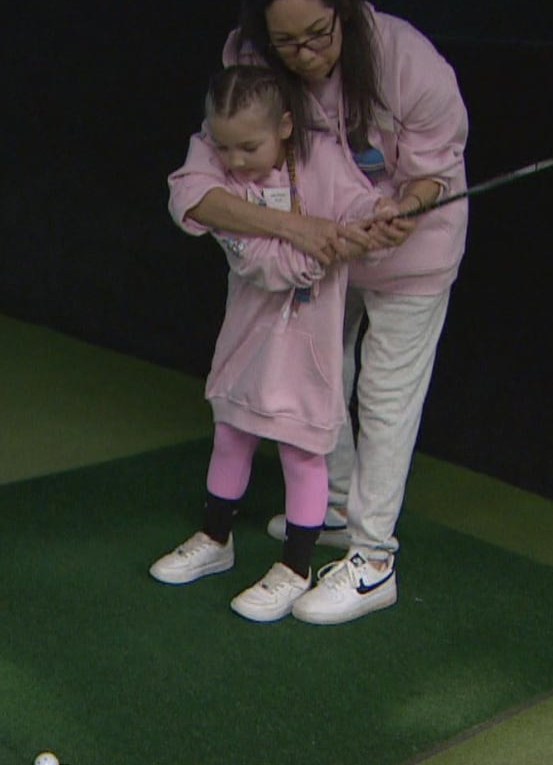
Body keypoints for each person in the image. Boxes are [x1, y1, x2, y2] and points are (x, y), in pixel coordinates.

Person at [167, 0, 469, 625]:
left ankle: (373, 557)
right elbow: (200, 183)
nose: (305, 55)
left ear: (346, 10)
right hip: (318, 257)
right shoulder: (248, 64)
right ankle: (332, 508)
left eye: (318, 35)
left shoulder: (404, 59)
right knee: (317, 371)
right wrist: (298, 231)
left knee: (385, 395)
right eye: (287, 43)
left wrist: (403, 209)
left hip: (408, 251)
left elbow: (434, 171)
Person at [149, 64, 389, 623]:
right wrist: (316, 250)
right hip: (247, 338)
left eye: (247, 146)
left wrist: (373, 220)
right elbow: (255, 260)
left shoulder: (322, 160)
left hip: (308, 349)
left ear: (285, 126)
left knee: (301, 447)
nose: (232, 161)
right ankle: (216, 538)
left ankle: (296, 567)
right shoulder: (230, 191)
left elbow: (357, 203)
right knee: (231, 429)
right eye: (223, 147)